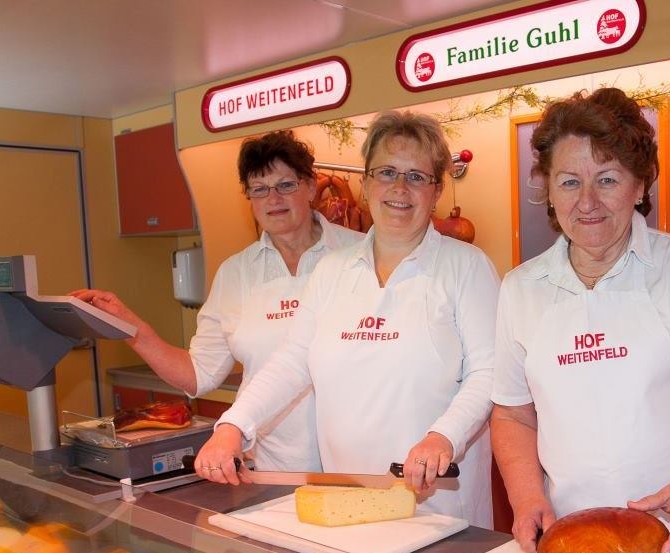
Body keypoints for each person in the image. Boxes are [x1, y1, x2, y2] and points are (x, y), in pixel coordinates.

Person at [490, 89, 670, 553]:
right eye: (568, 182)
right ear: (548, 187)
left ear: (640, 185)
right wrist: (526, 498)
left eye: (606, 179)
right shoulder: (520, 289)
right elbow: (512, 414)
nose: (587, 202)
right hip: (575, 537)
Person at [195, 110, 499, 528]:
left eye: (416, 176)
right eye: (387, 172)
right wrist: (233, 426)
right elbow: (293, 361)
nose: (399, 188)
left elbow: (488, 372)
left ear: (436, 190)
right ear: (367, 181)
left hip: (438, 506)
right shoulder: (332, 270)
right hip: (348, 501)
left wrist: (441, 436)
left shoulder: (466, 266)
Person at [72, 130, 363, 471]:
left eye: (286, 185)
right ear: (249, 198)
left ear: (311, 186)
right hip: (273, 469)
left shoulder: (360, 254)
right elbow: (200, 374)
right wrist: (130, 327)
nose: (274, 199)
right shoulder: (236, 273)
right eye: (259, 189)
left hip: (357, 463)